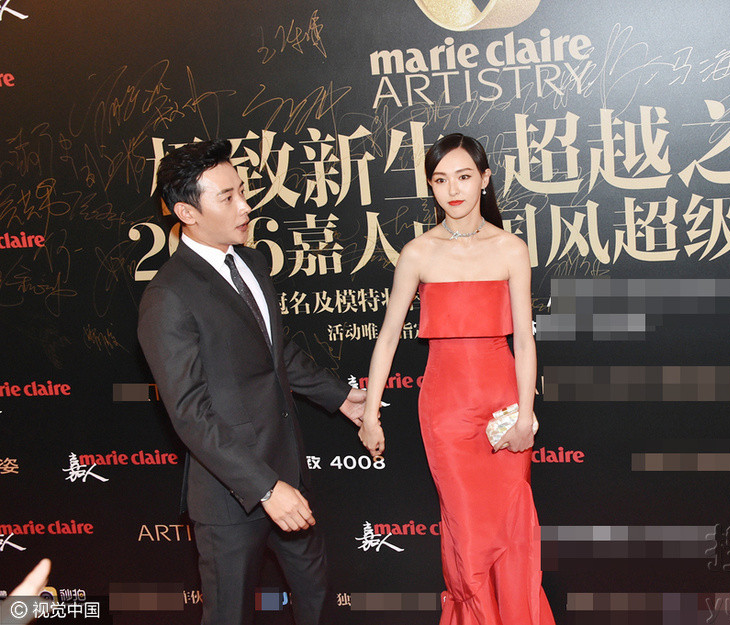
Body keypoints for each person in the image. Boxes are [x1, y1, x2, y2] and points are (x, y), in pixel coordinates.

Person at [137, 139, 367, 625]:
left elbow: (274, 354)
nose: (245, 206)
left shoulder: (253, 262)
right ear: (187, 212)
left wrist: (341, 397)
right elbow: (190, 415)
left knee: (319, 603)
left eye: (242, 191)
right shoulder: (167, 297)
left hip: (290, 475)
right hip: (231, 498)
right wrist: (266, 489)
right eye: (228, 197)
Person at [358, 133, 555, 624]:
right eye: (441, 180)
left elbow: (524, 340)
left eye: (464, 177)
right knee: (467, 533)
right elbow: (387, 338)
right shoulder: (418, 253)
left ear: (484, 179)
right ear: (431, 186)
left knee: (511, 530)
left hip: (504, 408)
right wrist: (370, 414)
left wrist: (526, 417)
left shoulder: (510, 249)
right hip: (446, 413)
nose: (453, 190)